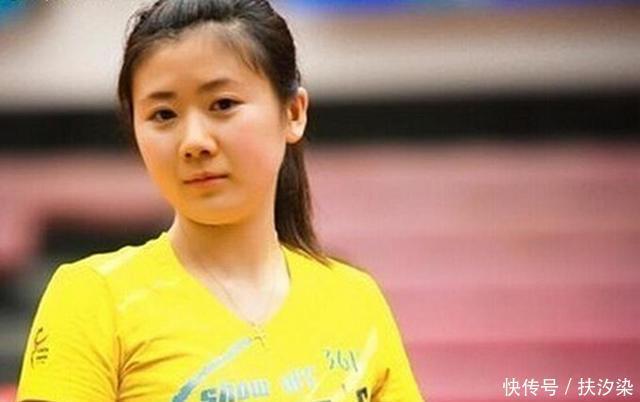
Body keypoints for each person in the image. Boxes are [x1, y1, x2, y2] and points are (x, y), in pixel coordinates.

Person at [16, 0, 424, 401]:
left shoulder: (355, 299)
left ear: (293, 113)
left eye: (223, 105)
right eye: (163, 114)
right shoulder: (93, 298)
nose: (194, 141)